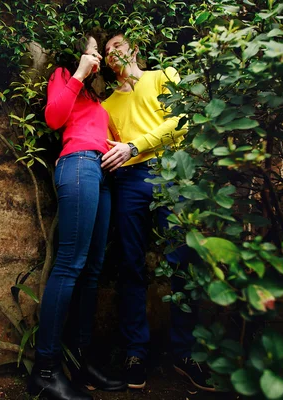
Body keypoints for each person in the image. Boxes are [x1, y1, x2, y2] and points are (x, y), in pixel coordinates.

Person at [101, 33, 209, 391]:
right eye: (106, 50)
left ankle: (186, 353)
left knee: (183, 258)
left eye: (117, 45)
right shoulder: (105, 106)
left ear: (134, 48)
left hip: (169, 172)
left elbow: (182, 122)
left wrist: (135, 145)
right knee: (131, 263)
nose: (111, 52)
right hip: (128, 182)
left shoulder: (164, 76)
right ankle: (136, 352)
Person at [27, 33, 126, 400]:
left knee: (92, 270)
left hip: (102, 174)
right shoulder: (65, 76)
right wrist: (80, 73)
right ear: (80, 52)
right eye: (92, 47)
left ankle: (81, 363)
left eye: (98, 48)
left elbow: (110, 137)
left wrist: (119, 148)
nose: (97, 53)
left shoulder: (98, 100)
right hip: (79, 165)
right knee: (70, 264)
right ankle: (45, 371)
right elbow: (54, 118)